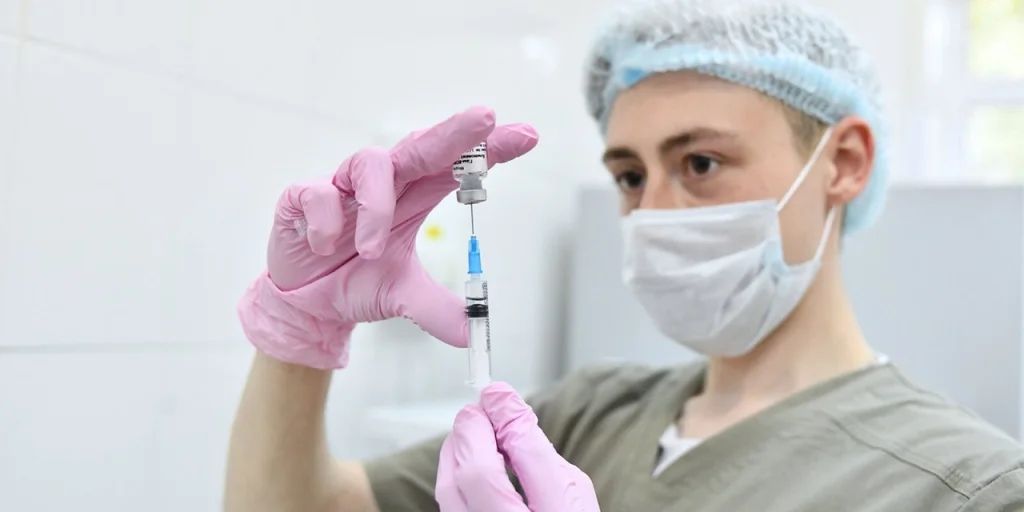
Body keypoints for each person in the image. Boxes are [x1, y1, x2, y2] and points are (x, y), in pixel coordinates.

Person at [223, 0, 1024, 510]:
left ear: (843, 164)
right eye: (631, 176)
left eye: (700, 162)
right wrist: (301, 330)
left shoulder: (967, 487)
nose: (654, 213)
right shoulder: (590, 413)